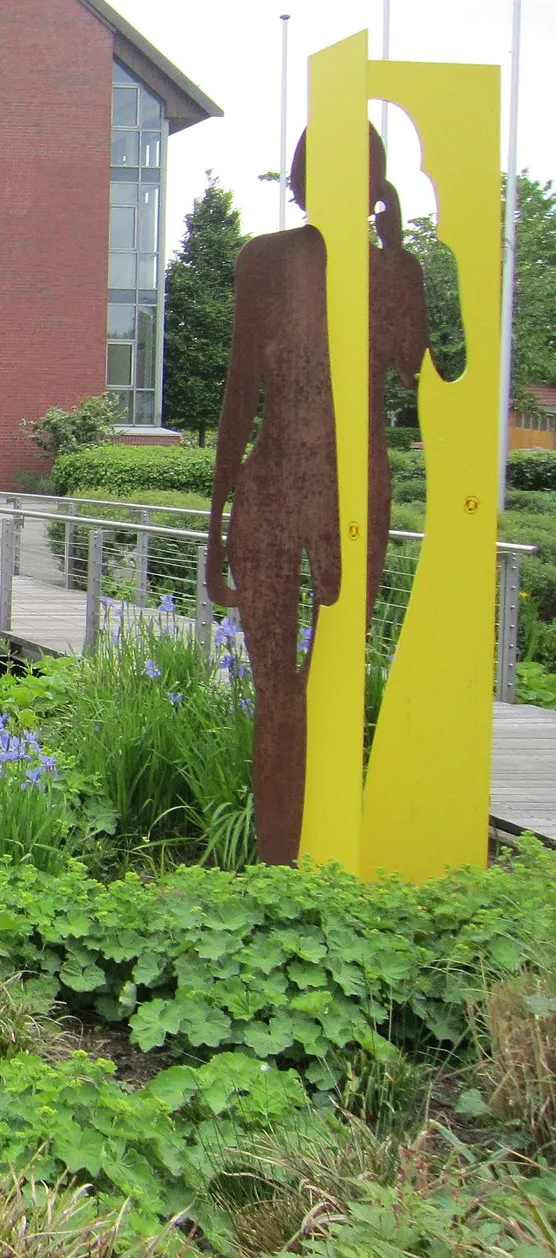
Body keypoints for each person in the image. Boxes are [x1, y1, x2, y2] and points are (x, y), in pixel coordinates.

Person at [207, 127, 427, 864]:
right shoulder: (264, 262)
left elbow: (410, 371)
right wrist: (214, 534)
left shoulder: (394, 272)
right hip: (273, 490)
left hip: (352, 499)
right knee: (278, 687)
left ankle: (324, 856)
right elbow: (240, 392)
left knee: (332, 677)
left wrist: (394, 255)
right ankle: (281, 863)